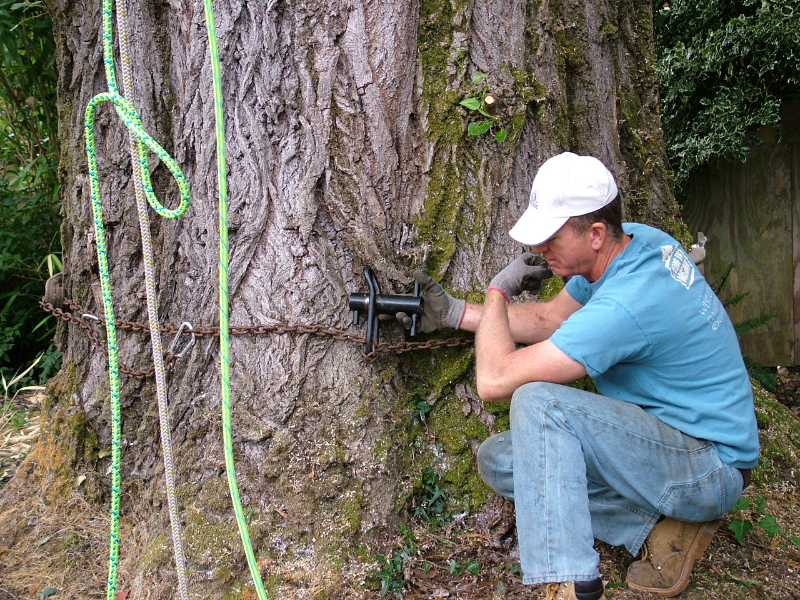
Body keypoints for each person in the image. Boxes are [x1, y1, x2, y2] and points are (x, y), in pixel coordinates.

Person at [405, 152, 759, 600]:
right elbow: (551, 320)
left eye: (550, 237)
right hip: (674, 446)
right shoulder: (640, 243)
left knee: (540, 401)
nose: (538, 250)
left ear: (594, 234)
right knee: (502, 460)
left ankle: (569, 582)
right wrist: (457, 313)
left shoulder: (626, 305)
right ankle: (661, 528)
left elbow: (494, 380)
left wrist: (497, 292)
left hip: (709, 468)